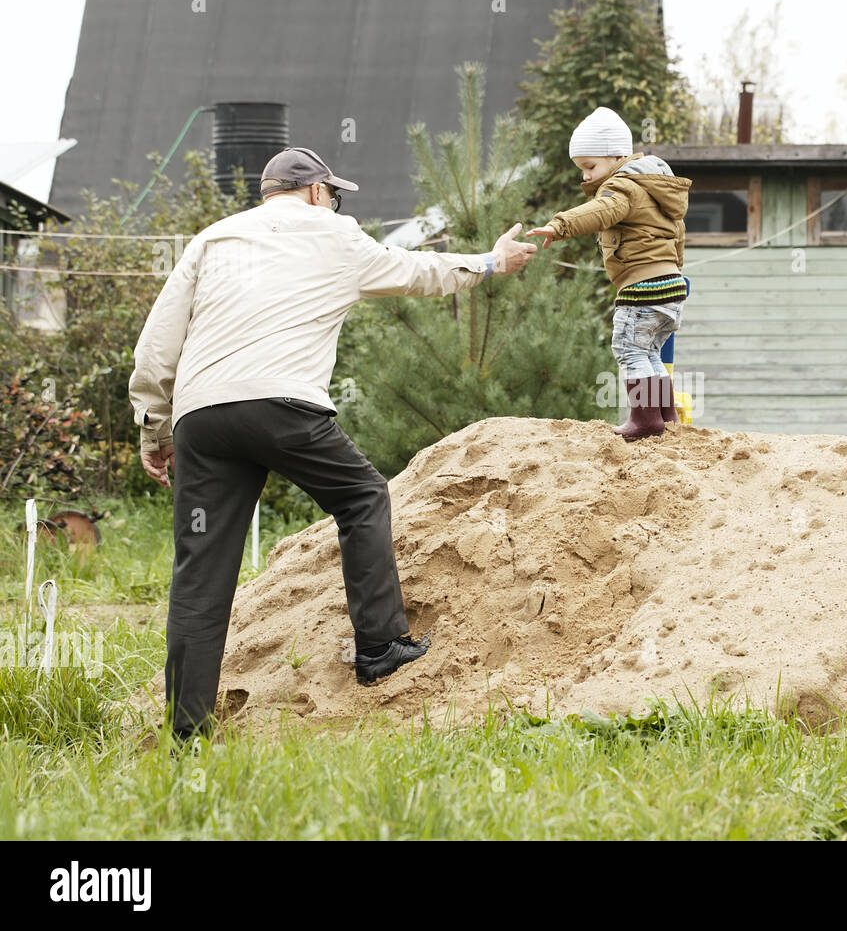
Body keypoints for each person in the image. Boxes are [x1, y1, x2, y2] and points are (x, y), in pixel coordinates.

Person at [128, 146, 536, 741]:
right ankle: (379, 646)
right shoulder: (335, 233)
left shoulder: (212, 239)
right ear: (318, 192)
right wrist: (492, 263)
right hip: (283, 405)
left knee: (200, 572)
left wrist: (154, 427)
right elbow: (419, 272)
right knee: (362, 497)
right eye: (334, 194)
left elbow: (158, 344)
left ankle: (186, 733)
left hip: (203, 420)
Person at [525, 107, 691, 440]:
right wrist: (674, 272)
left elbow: (602, 211)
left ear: (617, 157)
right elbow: (678, 235)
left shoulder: (623, 187)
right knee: (649, 352)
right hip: (671, 284)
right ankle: (664, 415)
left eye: (590, 167)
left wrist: (559, 226)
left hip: (643, 286)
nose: (585, 177)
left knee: (629, 349)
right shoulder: (657, 187)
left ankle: (645, 420)